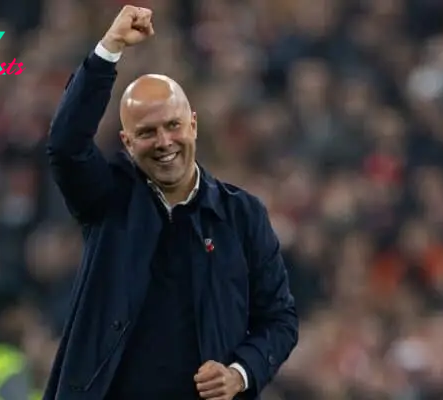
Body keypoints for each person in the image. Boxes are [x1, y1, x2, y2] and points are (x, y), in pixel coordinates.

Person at [43, 5, 298, 400]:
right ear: (127, 144)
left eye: (173, 125)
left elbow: (279, 319)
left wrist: (240, 372)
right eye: (147, 132)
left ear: (192, 123)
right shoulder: (109, 199)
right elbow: (65, 145)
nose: (164, 142)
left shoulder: (242, 215)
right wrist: (109, 49)